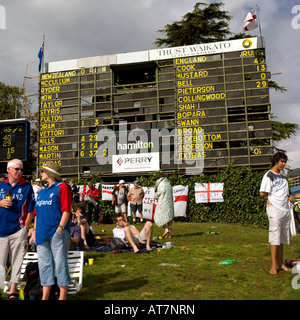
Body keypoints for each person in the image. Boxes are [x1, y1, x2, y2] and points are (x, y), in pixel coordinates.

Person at [30, 162, 72, 300]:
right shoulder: (42, 192)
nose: (40, 173)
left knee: (60, 264)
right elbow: (36, 214)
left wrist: (60, 229)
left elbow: (66, 210)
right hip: (41, 233)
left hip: (56, 232)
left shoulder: (62, 187)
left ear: (50, 173)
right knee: (44, 266)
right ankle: (45, 297)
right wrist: (34, 232)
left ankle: (62, 296)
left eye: (42, 171)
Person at [0, 159, 35, 300]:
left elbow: (32, 209)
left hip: (18, 230)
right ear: (9, 170)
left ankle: (12, 292)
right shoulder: (1, 185)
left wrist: (26, 227)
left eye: (21, 169)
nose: (20, 172)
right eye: (16, 169)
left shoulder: (27, 186)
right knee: (0, 263)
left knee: (17, 262)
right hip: (1, 231)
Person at [260, 152, 295, 275]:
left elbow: (285, 191)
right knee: (275, 238)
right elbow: (262, 193)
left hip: (285, 209)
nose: (283, 164)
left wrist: (289, 195)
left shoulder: (282, 176)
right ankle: (274, 266)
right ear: (276, 161)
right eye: (281, 161)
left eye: (285, 162)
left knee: (281, 238)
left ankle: (281, 264)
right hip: (274, 208)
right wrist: (274, 195)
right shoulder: (268, 176)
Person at [154, 174, 174, 238]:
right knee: (169, 217)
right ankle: (169, 234)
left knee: (158, 216)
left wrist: (155, 195)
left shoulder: (161, 184)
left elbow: (159, 192)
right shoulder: (168, 184)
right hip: (170, 203)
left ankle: (165, 229)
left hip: (162, 203)